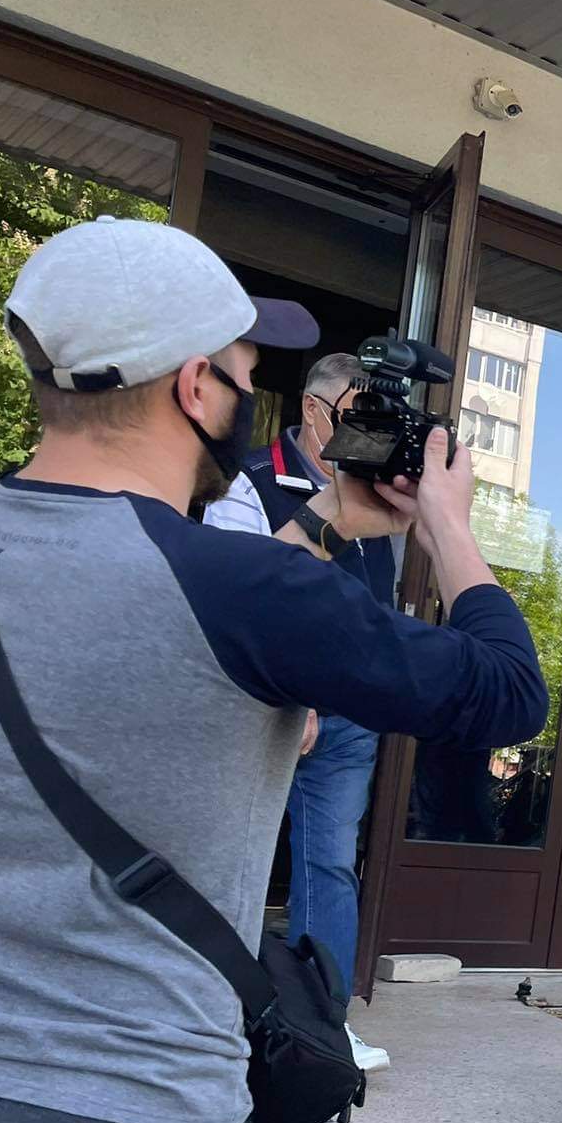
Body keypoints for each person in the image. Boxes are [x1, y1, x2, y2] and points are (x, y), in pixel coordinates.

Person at [0, 216, 547, 1123]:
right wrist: (445, 524)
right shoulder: (247, 597)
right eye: (245, 370)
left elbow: (169, 604)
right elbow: (508, 692)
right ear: (195, 387)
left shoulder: (224, 582)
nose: (254, 393)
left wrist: (331, 520)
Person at [204, 351, 395, 1070]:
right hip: (265, 708)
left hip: (347, 717)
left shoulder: (373, 499)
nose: (367, 429)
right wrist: (292, 691)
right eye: (355, 412)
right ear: (315, 410)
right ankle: (213, 1015)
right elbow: (236, 603)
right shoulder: (248, 483)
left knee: (329, 865)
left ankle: (322, 1029)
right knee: (229, 856)